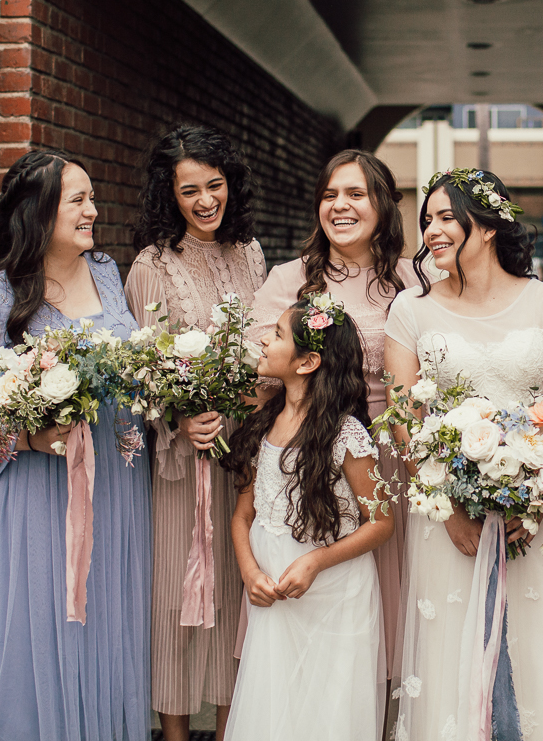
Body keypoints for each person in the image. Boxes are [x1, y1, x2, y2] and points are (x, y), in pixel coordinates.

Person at [0, 150, 152, 740]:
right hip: (36, 503)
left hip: (115, 482)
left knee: (108, 630)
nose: (93, 210)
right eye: (77, 200)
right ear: (38, 213)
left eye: (90, 197)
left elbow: (130, 366)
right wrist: (27, 436)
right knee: (43, 634)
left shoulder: (107, 272)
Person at [385, 169, 543, 741]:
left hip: (536, 514)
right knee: (453, 657)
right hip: (447, 512)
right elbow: (405, 420)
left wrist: (536, 498)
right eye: (427, 220)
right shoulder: (411, 312)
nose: (432, 230)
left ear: (489, 226)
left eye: (447, 216)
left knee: (533, 652)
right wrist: (449, 505)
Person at [250, 149, 418, 681]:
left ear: (383, 205)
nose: (339, 206)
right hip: (307, 459)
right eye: (329, 195)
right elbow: (260, 376)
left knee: (388, 605)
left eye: (355, 194)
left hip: (387, 458)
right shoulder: (288, 279)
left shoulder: (413, 281)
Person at [123, 127, 266, 741]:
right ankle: (176, 734)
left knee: (239, 597)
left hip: (247, 450)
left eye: (215, 185)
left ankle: (234, 729)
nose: (206, 200)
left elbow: (267, 345)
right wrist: (178, 418)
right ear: (169, 195)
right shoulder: (152, 266)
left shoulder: (252, 253)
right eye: (190, 190)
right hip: (183, 458)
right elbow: (142, 370)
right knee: (176, 601)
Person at [221, 296, 392, 739]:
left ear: (308, 361)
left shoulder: (346, 435)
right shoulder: (263, 422)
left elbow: (381, 523)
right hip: (272, 588)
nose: (263, 339)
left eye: (276, 334)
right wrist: (249, 571)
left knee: (327, 710)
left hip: (333, 589)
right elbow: (243, 515)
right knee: (276, 705)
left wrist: (315, 561)